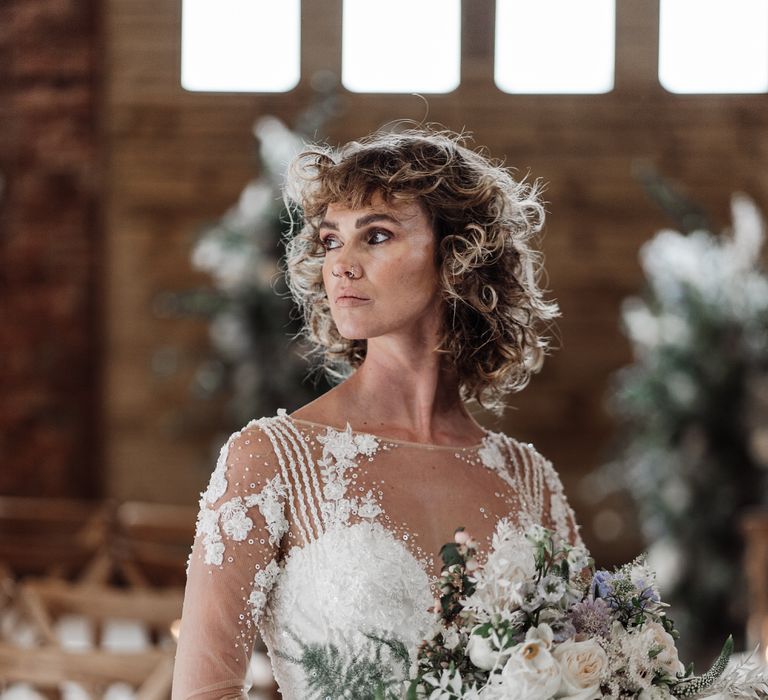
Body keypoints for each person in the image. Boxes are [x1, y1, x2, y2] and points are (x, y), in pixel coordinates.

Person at [171, 126, 582, 699]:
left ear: (457, 256)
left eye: (377, 236)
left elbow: (584, 670)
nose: (341, 265)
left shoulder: (529, 480)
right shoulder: (271, 461)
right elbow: (204, 694)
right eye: (331, 240)